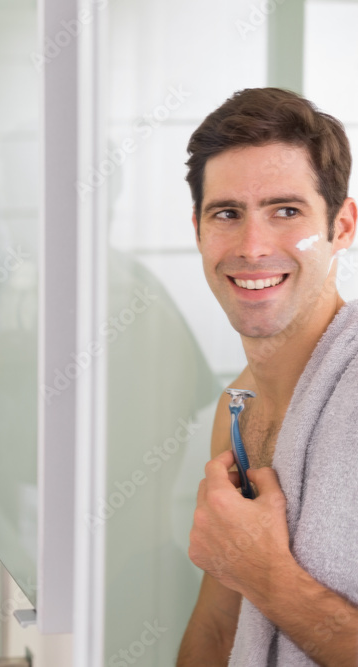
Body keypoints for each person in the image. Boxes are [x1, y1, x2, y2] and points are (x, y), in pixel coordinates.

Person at [177, 88, 358, 665]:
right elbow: (215, 625)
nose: (253, 247)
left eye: (286, 211)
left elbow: (251, 575)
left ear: (343, 226)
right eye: (226, 214)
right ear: (199, 232)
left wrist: (268, 574)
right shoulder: (237, 408)